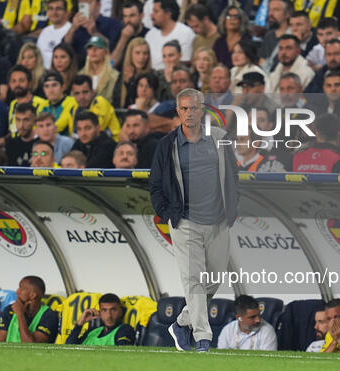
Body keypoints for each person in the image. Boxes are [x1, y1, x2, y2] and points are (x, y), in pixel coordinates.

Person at [150, 88, 238, 352]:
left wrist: (232, 208)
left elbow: (233, 177)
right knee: (195, 281)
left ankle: (180, 323)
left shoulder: (220, 139)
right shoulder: (167, 145)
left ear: (203, 110)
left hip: (218, 222)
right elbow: (155, 184)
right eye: (184, 108)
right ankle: (202, 338)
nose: (189, 113)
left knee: (217, 278)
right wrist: (168, 213)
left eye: (194, 108)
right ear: (178, 111)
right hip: (185, 222)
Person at [0, 276, 59, 343]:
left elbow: (31, 345)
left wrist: (20, 315)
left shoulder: (49, 315)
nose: (17, 292)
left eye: (21, 288)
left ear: (32, 295)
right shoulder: (9, 310)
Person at [64, 0, 123, 68]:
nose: (86, 7)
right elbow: (64, 47)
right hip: (79, 70)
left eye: (89, 3)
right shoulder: (75, 26)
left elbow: (113, 49)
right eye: (82, 4)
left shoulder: (112, 24)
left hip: (105, 70)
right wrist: (72, 29)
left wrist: (94, 32)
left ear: (98, 4)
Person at [66, 293, 135, 346]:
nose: (109, 316)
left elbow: (123, 354)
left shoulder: (124, 330)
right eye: (104, 310)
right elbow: (68, 350)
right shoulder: (92, 331)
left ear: (120, 312)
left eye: (113, 310)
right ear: (100, 312)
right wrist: (79, 324)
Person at [146, 0, 195, 70]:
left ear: (168, 14)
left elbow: (186, 63)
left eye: (156, 11)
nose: (152, 15)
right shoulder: (149, 35)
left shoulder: (185, 33)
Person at [70, 74, 121, 141]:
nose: (81, 97)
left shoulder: (100, 102)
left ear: (92, 92)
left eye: (85, 92)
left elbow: (94, 132)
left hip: (111, 143)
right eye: (77, 93)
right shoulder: (74, 108)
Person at [7, 65, 48, 137]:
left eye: (21, 81)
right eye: (13, 81)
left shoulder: (42, 103)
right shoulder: (13, 104)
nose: (17, 84)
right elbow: (13, 130)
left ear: (30, 84)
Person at [79, 35, 120, 107]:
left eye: (98, 48)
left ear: (106, 52)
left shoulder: (115, 76)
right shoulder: (80, 75)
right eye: (90, 48)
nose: (93, 51)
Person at [110, 1, 149, 67]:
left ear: (141, 15)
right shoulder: (118, 34)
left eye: (132, 16)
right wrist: (123, 39)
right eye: (125, 16)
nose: (128, 20)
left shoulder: (149, 34)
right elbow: (111, 64)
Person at [41, 71, 78, 137]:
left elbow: (61, 125)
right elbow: (35, 127)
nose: (51, 90)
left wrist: (41, 130)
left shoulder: (72, 102)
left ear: (63, 87)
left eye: (54, 85)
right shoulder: (43, 105)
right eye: (47, 86)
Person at [37, 0, 72, 70]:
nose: (54, 12)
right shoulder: (45, 31)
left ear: (66, 12)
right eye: (51, 9)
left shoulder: (71, 30)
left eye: (58, 9)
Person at [258, 0, 292, 71]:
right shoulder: (269, 35)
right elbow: (262, 60)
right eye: (269, 10)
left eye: (276, 10)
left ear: (287, 14)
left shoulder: (293, 35)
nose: (271, 13)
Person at [120, 38, 151, 108]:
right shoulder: (120, 77)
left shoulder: (152, 76)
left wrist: (131, 83)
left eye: (145, 53)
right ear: (130, 54)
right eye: (137, 53)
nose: (141, 57)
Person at [5, 102, 37, 167]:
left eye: (26, 120)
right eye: (18, 120)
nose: (21, 125)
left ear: (34, 121)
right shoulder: (10, 144)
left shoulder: (41, 144)